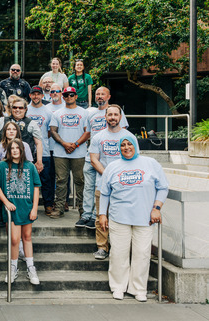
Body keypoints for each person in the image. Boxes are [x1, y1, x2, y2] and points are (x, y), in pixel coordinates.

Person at [98, 135, 168, 302]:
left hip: (145, 218)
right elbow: (105, 193)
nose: (126, 147)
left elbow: (163, 187)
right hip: (118, 217)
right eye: (123, 145)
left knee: (142, 254)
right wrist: (102, 214)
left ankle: (138, 288)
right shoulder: (113, 167)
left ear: (136, 145)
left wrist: (156, 208)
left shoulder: (150, 163)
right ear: (119, 148)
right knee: (118, 254)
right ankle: (118, 287)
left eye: (130, 144)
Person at [0, 138, 41, 285]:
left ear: (22, 150)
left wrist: (34, 208)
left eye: (17, 148)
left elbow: (36, 187)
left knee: (27, 237)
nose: (14, 151)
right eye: (12, 148)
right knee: (14, 239)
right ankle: (13, 268)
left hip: (27, 207)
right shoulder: (2, 166)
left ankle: (31, 268)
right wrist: (6, 202)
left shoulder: (30, 167)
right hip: (12, 209)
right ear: (8, 151)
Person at [79, 87, 129, 232]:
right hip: (91, 157)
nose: (100, 97)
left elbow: (123, 132)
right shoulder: (91, 113)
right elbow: (88, 133)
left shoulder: (115, 111)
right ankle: (86, 215)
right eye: (97, 94)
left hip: (107, 158)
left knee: (99, 188)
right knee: (88, 187)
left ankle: (96, 215)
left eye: (102, 94)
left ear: (109, 96)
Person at [88, 104, 132, 259]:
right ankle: (102, 247)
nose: (113, 117)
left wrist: (118, 178)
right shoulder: (98, 137)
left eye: (116, 114)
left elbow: (134, 159)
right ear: (105, 117)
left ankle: (120, 248)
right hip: (103, 185)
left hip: (125, 186)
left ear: (120, 117)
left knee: (122, 218)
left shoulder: (128, 137)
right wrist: (109, 176)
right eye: (110, 115)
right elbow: (94, 159)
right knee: (102, 217)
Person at [49, 87, 90, 218]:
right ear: (63, 97)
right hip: (60, 152)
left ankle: (83, 209)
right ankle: (60, 207)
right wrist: (64, 144)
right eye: (66, 95)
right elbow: (53, 131)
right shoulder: (57, 113)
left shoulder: (84, 113)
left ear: (76, 96)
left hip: (79, 152)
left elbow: (87, 132)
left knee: (80, 181)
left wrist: (76, 144)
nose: (69, 97)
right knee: (61, 180)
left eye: (72, 95)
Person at [0, 96, 43, 173]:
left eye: (20, 108)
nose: (17, 110)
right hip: (3, 160)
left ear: (25, 109)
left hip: (24, 162)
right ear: (11, 109)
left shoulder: (32, 123)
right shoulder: (2, 120)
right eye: (15, 107)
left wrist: (39, 161)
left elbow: (38, 143)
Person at [26, 86, 55, 215]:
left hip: (44, 151)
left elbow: (50, 131)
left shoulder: (48, 111)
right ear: (30, 95)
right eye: (34, 94)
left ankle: (48, 204)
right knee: (28, 180)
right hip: (27, 152)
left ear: (42, 96)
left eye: (38, 94)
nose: (36, 96)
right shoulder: (25, 109)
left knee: (46, 179)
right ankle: (29, 205)